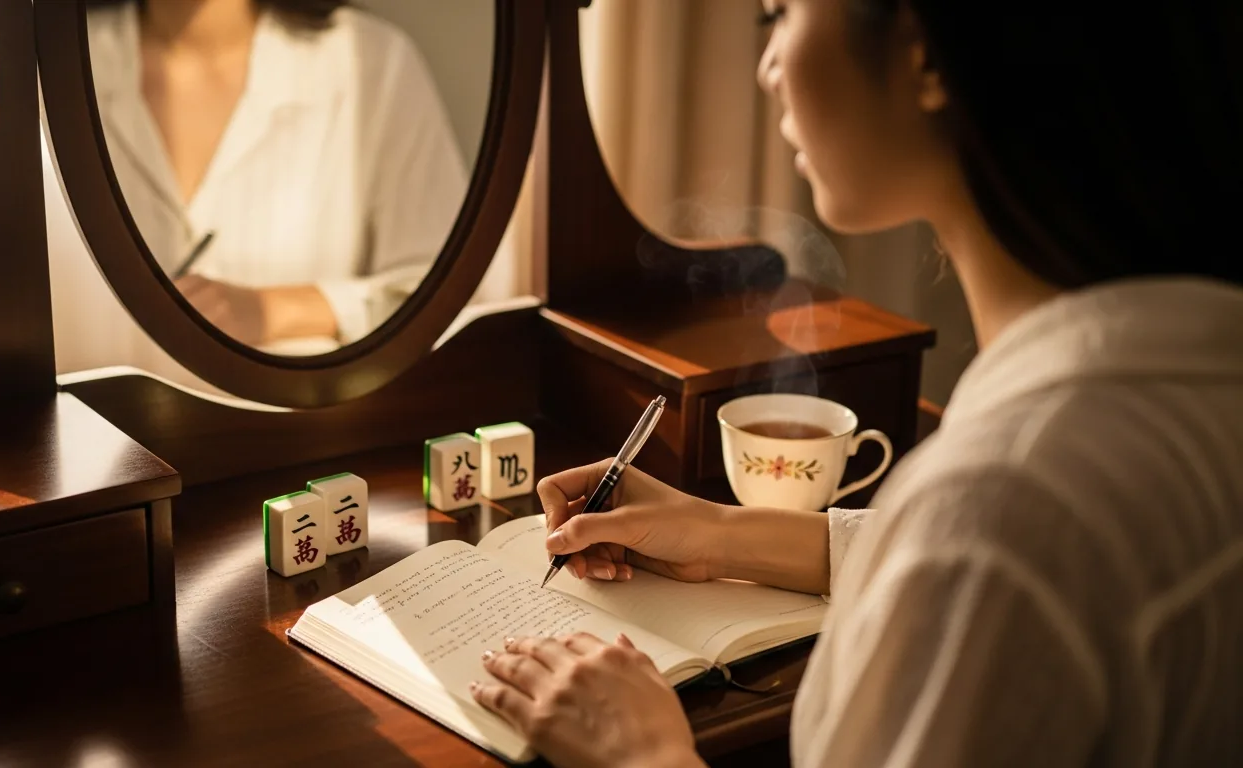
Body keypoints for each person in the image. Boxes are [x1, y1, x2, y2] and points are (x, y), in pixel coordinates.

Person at [468, 1, 1243, 766]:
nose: (768, 66)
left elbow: (987, 553)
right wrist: (721, 534)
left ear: (924, 52)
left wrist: (643, 754)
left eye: (778, 14)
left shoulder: (1008, 506)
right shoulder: (1187, 376)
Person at [83, 0, 469, 349]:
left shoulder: (370, 61)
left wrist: (273, 311)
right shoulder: (56, 65)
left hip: (316, 424)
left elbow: (449, 295)